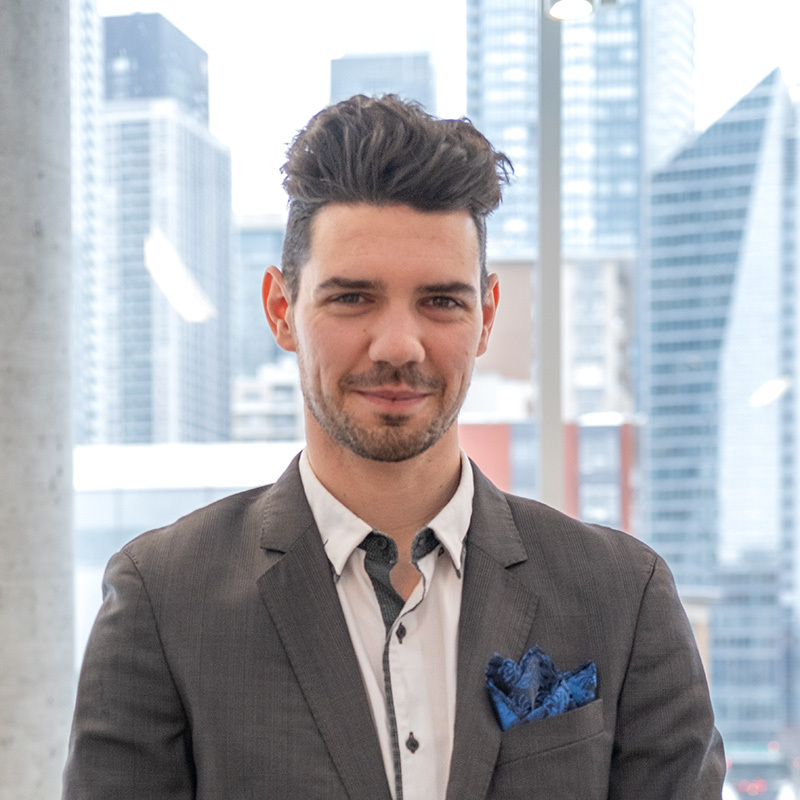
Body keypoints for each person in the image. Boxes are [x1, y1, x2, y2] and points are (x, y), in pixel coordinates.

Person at [63, 94, 725, 800]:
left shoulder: (622, 595)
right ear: (281, 311)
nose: (399, 345)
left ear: (486, 315)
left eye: (441, 301)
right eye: (352, 299)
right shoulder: (164, 601)